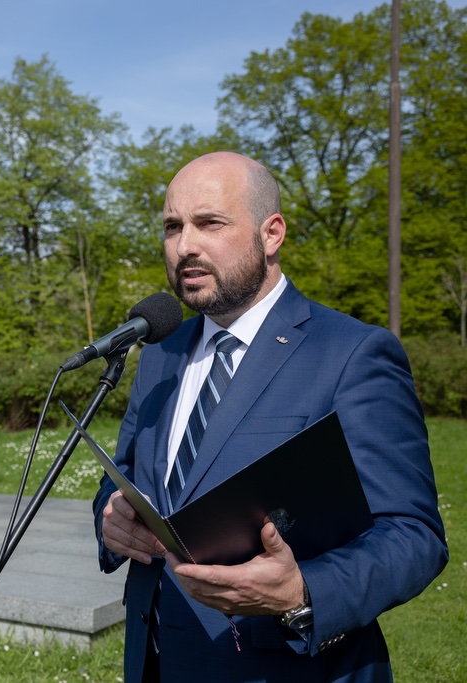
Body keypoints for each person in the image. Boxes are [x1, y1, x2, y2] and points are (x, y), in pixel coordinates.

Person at [92, 151, 448, 682]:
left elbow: (414, 536)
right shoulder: (161, 353)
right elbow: (124, 476)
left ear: (272, 233)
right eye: (172, 226)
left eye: (209, 222)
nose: (185, 245)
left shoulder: (353, 353)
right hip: (156, 661)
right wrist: (111, 518)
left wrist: (301, 592)